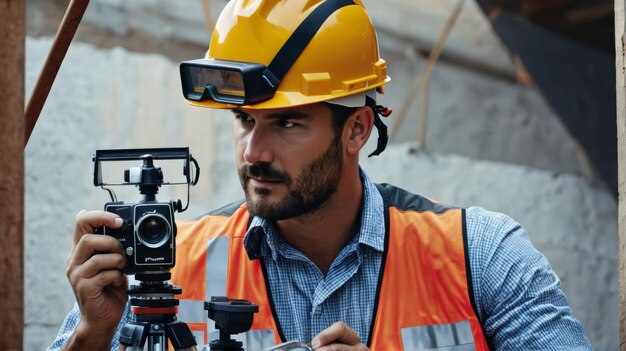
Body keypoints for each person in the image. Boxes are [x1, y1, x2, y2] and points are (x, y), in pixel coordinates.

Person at [49, 0, 593, 350]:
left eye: (287, 122)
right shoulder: (163, 265)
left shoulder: (481, 255)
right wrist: (93, 335)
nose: (253, 152)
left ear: (356, 130)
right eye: (245, 121)